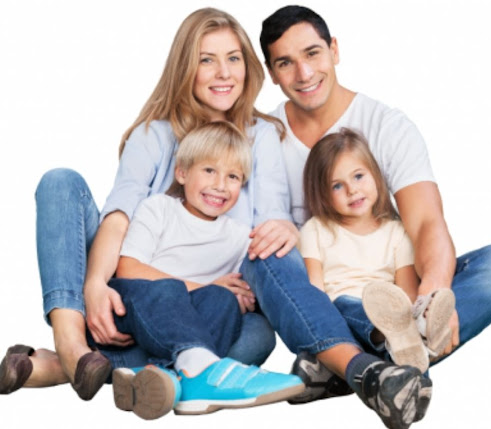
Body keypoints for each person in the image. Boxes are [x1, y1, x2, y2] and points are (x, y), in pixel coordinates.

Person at [0, 7, 297, 401]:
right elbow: (119, 218)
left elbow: (270, 224)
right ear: (185, 68)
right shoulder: (154, 135)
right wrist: (95, 285)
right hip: (131, 287)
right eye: (207, 60)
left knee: (257, 336)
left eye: (233, 58)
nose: (224, 73)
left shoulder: (262, 135)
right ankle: (72, 348)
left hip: (204, 303)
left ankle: (80, 369)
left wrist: (288, 227)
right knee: (60, 182)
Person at [238, 5, 491, 429]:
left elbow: (425, 222)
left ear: (334, 49)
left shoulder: (387, 125)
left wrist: (432, 298)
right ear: (272, 73)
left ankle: (343, 366)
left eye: (312, 53)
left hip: (393, 290)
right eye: (285, 63)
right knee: (264, 255)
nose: (304, 73)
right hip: (321, 296)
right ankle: (385, 359)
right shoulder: (263, 136)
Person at [99, 121, 303, 420]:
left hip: (183, 326)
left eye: (233, 176)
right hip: (135, 309)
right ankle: (196, 370)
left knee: (224, 301)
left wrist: (240, 297)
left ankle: (163, 377)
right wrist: (202, 287)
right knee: (175, 291)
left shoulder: (238, 236)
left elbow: (244, 292)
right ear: (182, 173)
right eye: (209, 170)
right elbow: (128, 269)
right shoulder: (159, 208)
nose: (220, 185)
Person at [300, 127, 455, 375]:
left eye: (358, 176)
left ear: (375, 175)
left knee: (404, 316)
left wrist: (412, 311)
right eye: (337, 186)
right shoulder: (315, 230)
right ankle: (406, 340)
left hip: (394, 313)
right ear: (323, 195)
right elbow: (315, 292)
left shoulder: (397, 232)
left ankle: (413, 338)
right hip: (343, 320)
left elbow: (407, 290)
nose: (352, 190)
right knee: (346, 305)